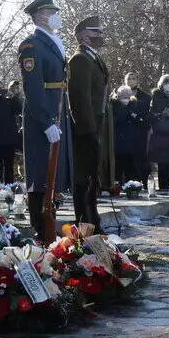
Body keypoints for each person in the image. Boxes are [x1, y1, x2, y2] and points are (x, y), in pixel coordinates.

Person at [18, 0, 72, 241]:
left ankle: (50, 221)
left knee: (55, 170)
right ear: (40, 16)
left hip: (58, 110)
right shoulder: (32, 45)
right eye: (52, 14)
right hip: (44, 116)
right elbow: (33, 88)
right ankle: (40, 228)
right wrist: (46, 121)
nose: (56, 17)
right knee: (42, 171)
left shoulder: (53, 42)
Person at [67, 15, 111, 230]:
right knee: (84, 178)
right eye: (96, 32)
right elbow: (79, 98)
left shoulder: (95, 59)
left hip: (97, 125)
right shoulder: (79, 59)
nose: (100, 36)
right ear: (84, 36)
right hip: (86, 128)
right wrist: (88, 130)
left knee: (94, 177)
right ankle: (84, 223)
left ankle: (93, 221)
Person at [122, 72, 153, 188]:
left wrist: (139, 119)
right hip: (124, 135)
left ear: (137, 81)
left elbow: (148, 116)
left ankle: (144, 185)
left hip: (140, 133)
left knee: (141, 161)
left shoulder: (146, 97)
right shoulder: (119, 95)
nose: (130, 81)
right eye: (128, 79)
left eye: (133, 78)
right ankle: (128, 187)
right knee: (127, 162)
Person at [111, 85, 146, 183]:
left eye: (127, 97)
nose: (125, 99)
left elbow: (141, 121)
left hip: (133, 145)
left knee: (133, 170)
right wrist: (125, 113)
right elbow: (115, 121)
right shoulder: (114, 107)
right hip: (119, 145)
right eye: (123, 97)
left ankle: (134, 186)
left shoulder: (135, 105)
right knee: (119, 169)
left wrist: (133, 116)